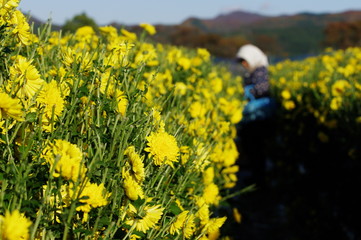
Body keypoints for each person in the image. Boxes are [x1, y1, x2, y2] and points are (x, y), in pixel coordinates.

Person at [235, 44, 276, 190]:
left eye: (245, 61)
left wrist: (247, 92)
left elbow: (263, 88)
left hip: (259, 117)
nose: (244, 65)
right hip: (253, 117)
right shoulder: (253, 71)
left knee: (256, 149)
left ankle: (259, 182)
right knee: (253, 149)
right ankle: (257, 180)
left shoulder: (260, 71)